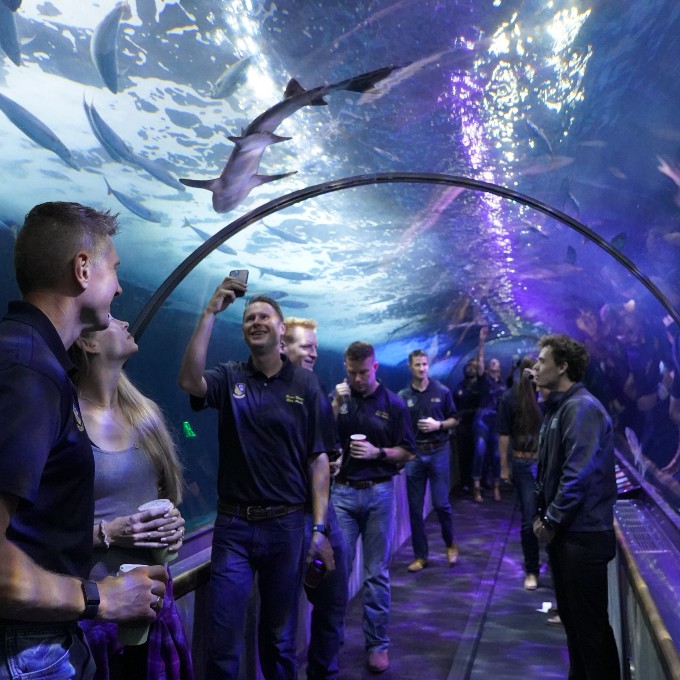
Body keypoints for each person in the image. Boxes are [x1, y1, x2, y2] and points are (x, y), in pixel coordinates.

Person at [0, 202, 167, 680]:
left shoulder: (38, 363)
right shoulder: (29, 373)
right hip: (26, 646)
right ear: (82, 269)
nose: (117, 286)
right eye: (113, 269)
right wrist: (101, 597)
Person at [178, 278, 334, 680]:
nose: (256, 321)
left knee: (279, 638)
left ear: (282, 330)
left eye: (265, 316)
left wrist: (319, 528)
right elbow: (189, 382)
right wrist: (210, 312)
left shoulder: (306, 383)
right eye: (249, 317)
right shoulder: (230, 377)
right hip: (234, 525)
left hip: (286, 525)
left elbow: (319, 461)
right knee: (223, 638)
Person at [70, 317, 194, 680]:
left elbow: (166, 494)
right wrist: (108, 532)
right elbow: (38, 532)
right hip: (93, 608)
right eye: (110, 319)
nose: (125, 321)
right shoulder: (66, 416)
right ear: (89, 343)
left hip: (153, 602)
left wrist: (174, 525)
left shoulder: (146, 413)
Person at [532, 333, 620, 680]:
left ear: (563, 366)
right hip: (570, 536)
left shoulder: (581, 408)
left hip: (582, 536)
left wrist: (550, 520)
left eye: (541, 360)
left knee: (591, 632)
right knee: (576, 627)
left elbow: (576, 475)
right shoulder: (561, 407)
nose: (535, 366)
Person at [331, 341, 415, 674]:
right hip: (343, 494)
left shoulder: (394, 404)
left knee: (376, 573)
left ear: (375, 367)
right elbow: (323, 437)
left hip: (379, 492)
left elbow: (407, 451)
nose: (357, 379)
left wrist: (378, 453)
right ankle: (331, 638)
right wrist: (336, 403)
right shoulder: (341, 401)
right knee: (338, 573)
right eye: (351, 372)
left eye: (363, 372)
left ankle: (377, 644)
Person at [281, 317, 348, 680]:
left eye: (315, 348)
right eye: (306, 347)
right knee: (284, 616)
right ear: (283, 346)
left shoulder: (317, 388)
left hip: (324, 511)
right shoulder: (269, 393)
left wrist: (332, 462)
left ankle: (323, 672)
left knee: (334, 599)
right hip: (288, 517)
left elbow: (325, 448)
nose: (313, 353)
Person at [398, 349, 459, 573]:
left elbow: (455, 419)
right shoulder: (403, 396)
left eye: (425, 364)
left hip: (439, 450)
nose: (422, 368)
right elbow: (399, 427)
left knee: (441, 503)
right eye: (417, 365)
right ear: (410, 367)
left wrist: (439, 425)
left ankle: (450, 544)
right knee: (415, 509)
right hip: (415, 454)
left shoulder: (441, 391)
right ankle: (420, 556)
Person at [496, 356, 543, 591]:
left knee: (552, 517)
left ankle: (553, 569)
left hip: (547, 462)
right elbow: (503, 434)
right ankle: (531, 569)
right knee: (528, 519)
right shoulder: (509, 398)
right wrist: (504, 466)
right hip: (523, 462)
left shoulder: (547, 395)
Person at [471, 325, 505, 503]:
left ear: (498, 367)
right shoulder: (484, 379)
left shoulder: (503, 385)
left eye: (495, 363)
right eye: (490, 363)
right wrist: (482, 341)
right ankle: (477, 489)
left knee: (496, 455)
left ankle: (496, 488)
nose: (492, 363)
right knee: (480, 451)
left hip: (496, 421)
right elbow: (480, 361)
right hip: (482, 420)